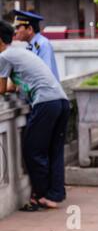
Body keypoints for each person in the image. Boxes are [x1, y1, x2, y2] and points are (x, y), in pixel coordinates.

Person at [0, 20, 70, 211]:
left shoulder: (5, 56)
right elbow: (13, 85)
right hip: (61, 101)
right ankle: (55, 195)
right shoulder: (20, 52)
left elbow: (1, 89)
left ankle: (40, 195)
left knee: (33, 150)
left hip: (45, 102)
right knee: (54, 150)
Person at [13, 10, 60, 81]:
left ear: (29, 29)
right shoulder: (30, 46)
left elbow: (46, 74)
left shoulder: (43, 44)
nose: (15, 31)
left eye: (18, 28)